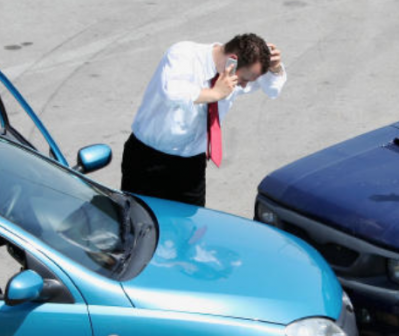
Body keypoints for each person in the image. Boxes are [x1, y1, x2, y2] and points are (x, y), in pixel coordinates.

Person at [121, 33, 286, 206]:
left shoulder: (234, 75)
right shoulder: (183, 54)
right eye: (244, 79)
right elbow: (171, 93)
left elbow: (273, 90)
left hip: (191, 166)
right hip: (148, 159)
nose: (244, 86)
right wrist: (214, 93)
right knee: (137, 224)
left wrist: (275, 69)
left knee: (191, 227)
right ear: (232, 61)